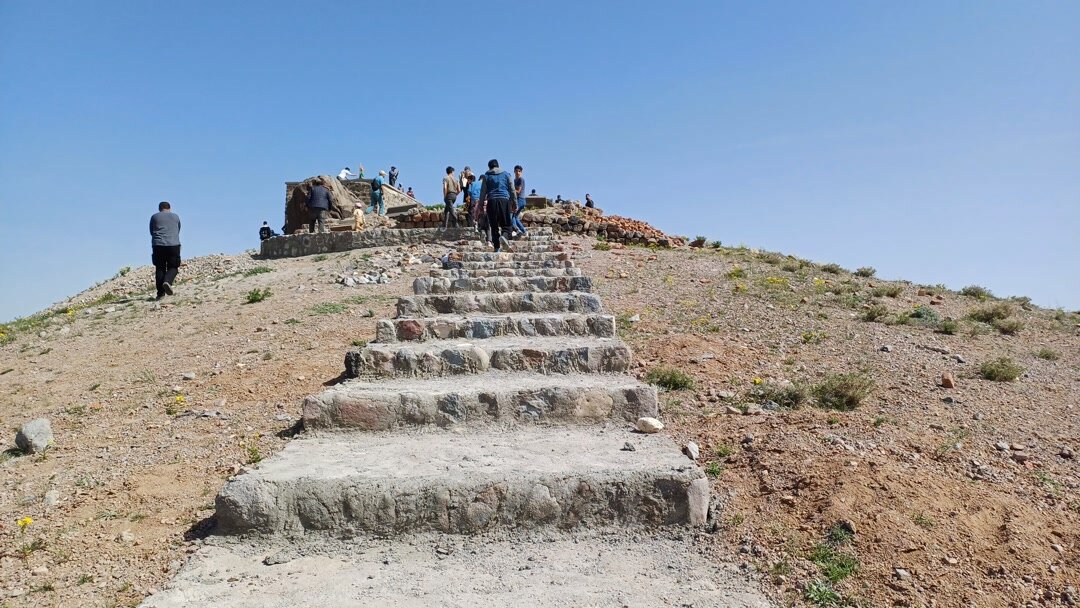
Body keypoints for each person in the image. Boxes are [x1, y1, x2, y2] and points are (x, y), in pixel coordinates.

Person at [478, 158, 516, 252]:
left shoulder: (487, 176)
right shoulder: (506, 174)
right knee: (507, 224)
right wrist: (514, 202)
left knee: (494, 225)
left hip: (491, 202)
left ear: (489, 167)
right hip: (504, 201)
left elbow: (483, 193)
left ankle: (497, 248)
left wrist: (480, 206)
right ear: (498, 166)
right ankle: (504, 236)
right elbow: (512, 189)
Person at [149, 201, 181, 300]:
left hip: (158, 245)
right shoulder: (176, 217)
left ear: (159, 208)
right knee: (173, 266)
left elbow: (151, 231)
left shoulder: (154, 217)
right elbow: (178, 229)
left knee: (160, 268)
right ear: (169, 208)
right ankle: (167, 281)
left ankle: (160, 294)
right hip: (173, 245)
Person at [511, 164, 528, 237]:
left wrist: (510, 189)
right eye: (516, 171)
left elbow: (518, 191)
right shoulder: (514, 180)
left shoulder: (521, 179)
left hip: (520, 200)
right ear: (514, 172)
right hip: (518, 200)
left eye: (519, 171)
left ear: (521, 172)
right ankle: (524, 231)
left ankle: (516, 230)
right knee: (515, 217)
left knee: (512, 215)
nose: (518, 172)